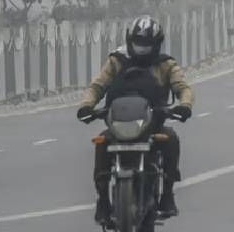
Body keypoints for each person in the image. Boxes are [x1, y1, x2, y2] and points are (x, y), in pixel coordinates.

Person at [77, 16, 194, 221]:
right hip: (118, 124)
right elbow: (97, 86)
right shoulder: (116, 61)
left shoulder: (166, 64)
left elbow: (183, 88)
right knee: (101, 144)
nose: (141, 49)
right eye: (138, 43)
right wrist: (87, 105)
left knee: (171, 140)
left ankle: (167, 194)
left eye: (146, 45)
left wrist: (184, 105)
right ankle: (103, 200)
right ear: (130, 41)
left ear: (156, 44)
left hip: (151, 124)